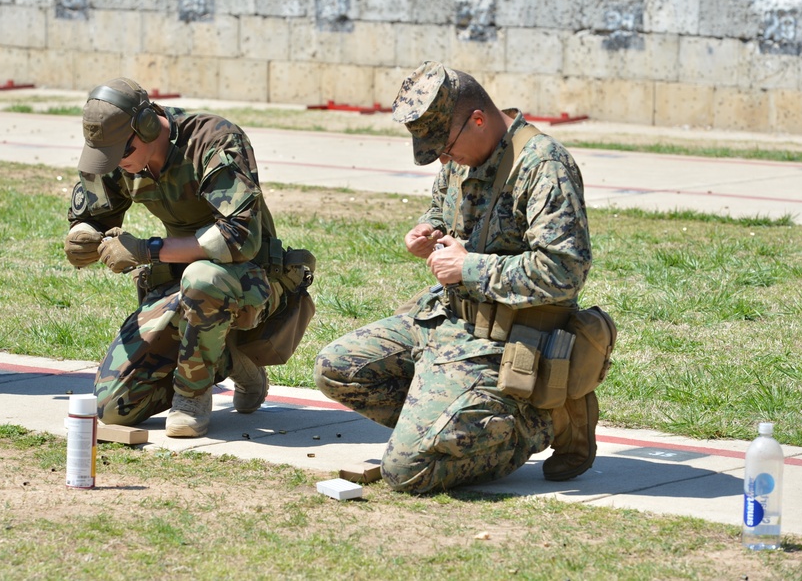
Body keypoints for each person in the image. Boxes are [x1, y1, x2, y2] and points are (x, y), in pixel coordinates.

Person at [314, 61, 595, 493]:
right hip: (446, 321)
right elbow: (444, 213)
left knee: (406, 471)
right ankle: (443, 412)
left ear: (478, 119)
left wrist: (469, 267)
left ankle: (542, 417)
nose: (444, 160)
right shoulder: (462, 157)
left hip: (504, 340)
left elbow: (564, 270)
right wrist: (428, 232)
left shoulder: (543, 166)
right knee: (337, 368)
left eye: (445, 148)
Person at [65, 78, 315, 438]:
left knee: (203, 278)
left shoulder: (214, 141)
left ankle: (192, 399)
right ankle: (234, 362)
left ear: (148, 126)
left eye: (121, 152)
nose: (115, 162)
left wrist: (145, 251)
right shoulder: (120, 153)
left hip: (250, 277)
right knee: (115, 409)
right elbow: (94, 212)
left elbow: (238, 237)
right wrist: (82, 237)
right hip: (182, 282)